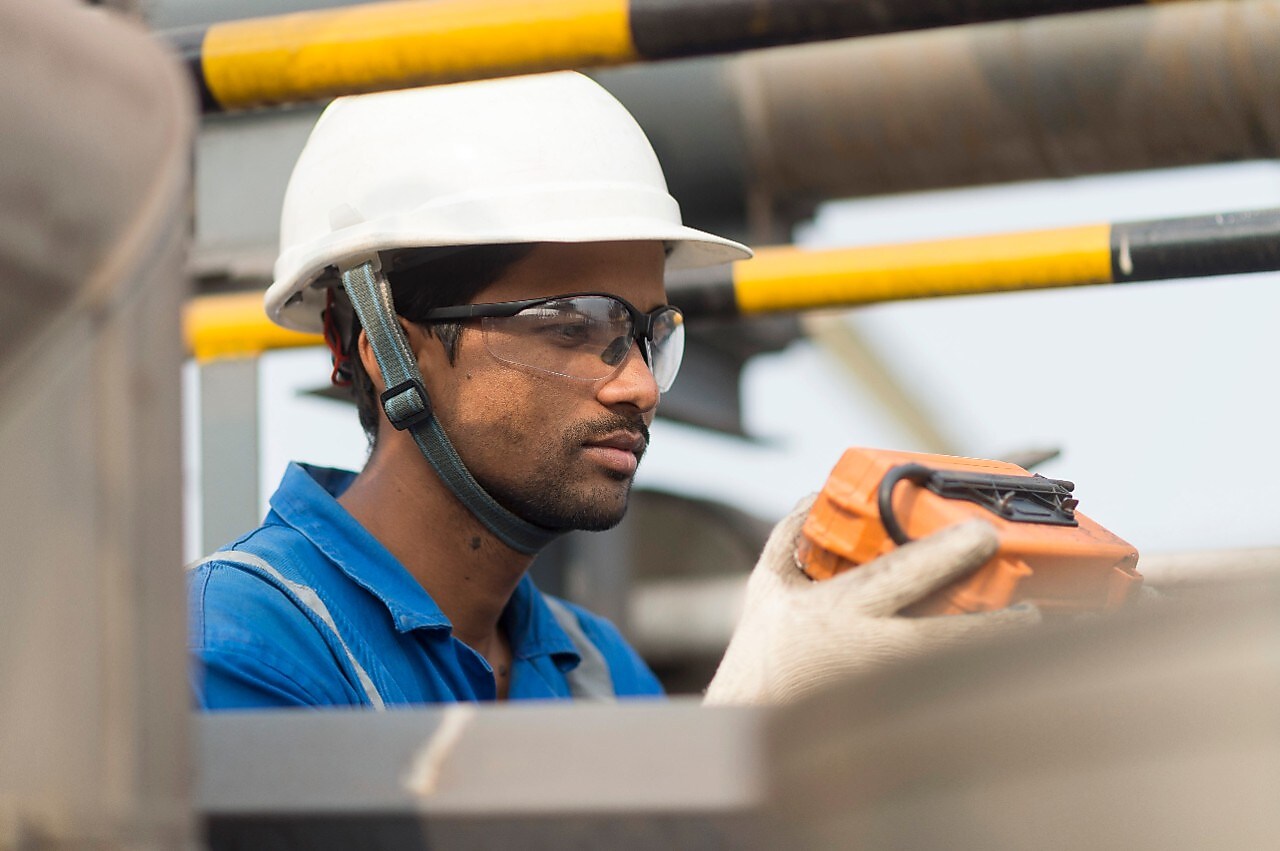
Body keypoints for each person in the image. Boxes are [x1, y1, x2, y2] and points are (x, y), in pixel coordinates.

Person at [188, 72, 1037, 710]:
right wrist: (740, 729)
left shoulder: (591, 666)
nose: (636, 384)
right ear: (376, 342)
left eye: (644, 332)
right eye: (570, 323)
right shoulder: (239, 645)